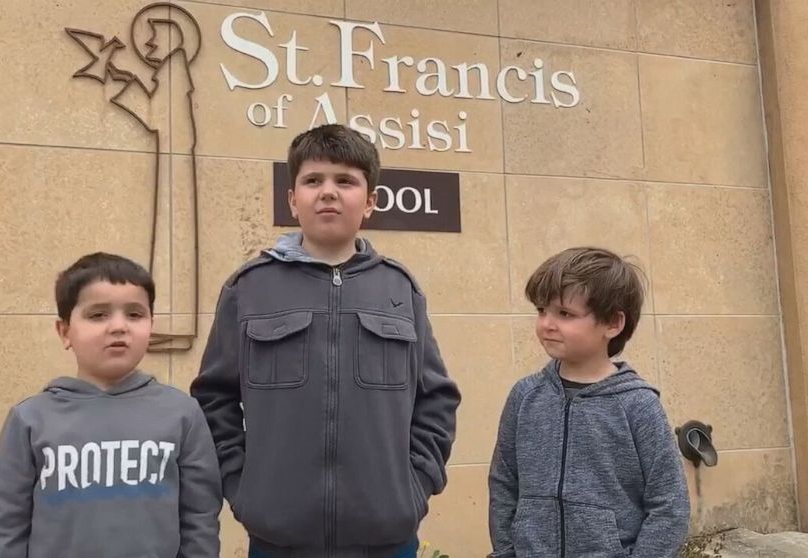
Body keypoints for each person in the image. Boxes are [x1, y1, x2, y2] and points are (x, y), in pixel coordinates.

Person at [191, 124, 461, 558]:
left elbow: (437, 399)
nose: (328, 192)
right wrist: (243, 490)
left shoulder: (400, 289)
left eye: (346, 181)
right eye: (313, 180)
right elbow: (214, 398)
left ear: (371, 202)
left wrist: (413, 488)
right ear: (292, 200)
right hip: (278, 541)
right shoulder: (249, 288)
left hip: (386, 539)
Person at [0, 252, 221, 558]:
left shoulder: (183, 414)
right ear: (65, 331)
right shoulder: (30, 419)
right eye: (98, 315)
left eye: (135, 314)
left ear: (151, 324)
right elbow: (5, 525)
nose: (119, 326)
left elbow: (200, 519)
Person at [488, 246, 690, 557]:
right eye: (542, 310)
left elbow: (669, 503)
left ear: (613, 323)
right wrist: (506, 551)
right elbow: (504, 484)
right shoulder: (525, 396)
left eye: (565, 313)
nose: (547, 324)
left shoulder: (638, 405)